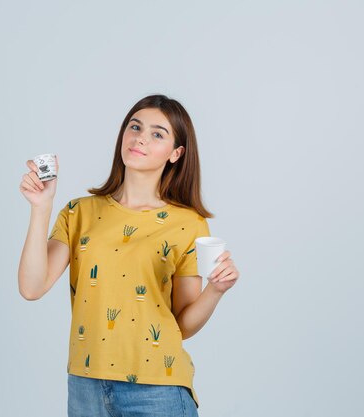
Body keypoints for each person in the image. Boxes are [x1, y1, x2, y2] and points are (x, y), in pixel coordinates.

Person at [18, 94, 240, 416]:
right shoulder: (78, 212)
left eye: (157, 134)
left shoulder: (188, 224)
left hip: (157, 390)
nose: (140, 138)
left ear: (176, 153)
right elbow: (31, 287)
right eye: (135, 127)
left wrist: (215, 291)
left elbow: (184, 324)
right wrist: (41, 208)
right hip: (86, 386)